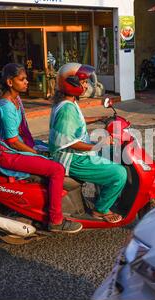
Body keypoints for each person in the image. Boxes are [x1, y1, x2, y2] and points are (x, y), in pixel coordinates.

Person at [0, 63, 83, 234]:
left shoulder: (16, 100)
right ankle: (56, 220)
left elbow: (22, 135)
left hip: (15, 149)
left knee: (52, 151)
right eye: (22, 79)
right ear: (9, 82)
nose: (26, 82)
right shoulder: (5, 106)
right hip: (8, 156)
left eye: (26, 79)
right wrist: (35, 152)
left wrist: (42, 148)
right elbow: (13, 141)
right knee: (57, 170)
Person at [49, 63, 127, 224]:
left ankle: (103, 192)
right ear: (71, 83)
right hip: (72, 160)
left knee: (114, 153)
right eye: (83, 82)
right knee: (119, 173)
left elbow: (77, 121)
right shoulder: (66, 109)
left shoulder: (68, 102)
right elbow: (70, 143)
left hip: (76, 155)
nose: (86, 85)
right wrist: (98, 145)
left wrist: (98, 118)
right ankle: (101, 209)